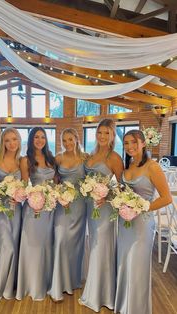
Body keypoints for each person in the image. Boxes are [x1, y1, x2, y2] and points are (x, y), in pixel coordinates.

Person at [114, 129, 172, 314]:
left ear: (143, 143)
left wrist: (143, 207)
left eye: (133, 142)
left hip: (142, 224)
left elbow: (167, 198)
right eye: (126, 143)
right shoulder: (128, 166)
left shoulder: (152, 167)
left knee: (137, 264)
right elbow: (123, 193)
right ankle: (124, 305)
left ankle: (136, 308)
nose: (130, 146)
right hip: (125, 223)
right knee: (124, 262)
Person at [79, 118, 123, 312]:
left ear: (113, 135)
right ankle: (98, 288)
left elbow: (122, 186)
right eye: (100, 132)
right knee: (94, 244)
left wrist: (107, 196)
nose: (103, 136)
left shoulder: (114, 157)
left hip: (104, 208)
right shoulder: (89, 156)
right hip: (90, 207)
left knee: (99, 247)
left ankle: (100, 294)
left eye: (107, 133)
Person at [16, 127, 57, 301]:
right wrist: (29, 198)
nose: (40, 140)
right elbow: (25, 184)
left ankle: (46, 281)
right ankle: (32, 283)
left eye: (43, 137)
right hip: (33, 208)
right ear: (31, 139)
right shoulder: (26, 160)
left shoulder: (51, 158)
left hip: (51, 208)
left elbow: (56, 181)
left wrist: (56, 195)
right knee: (34, 244)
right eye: (36, 137)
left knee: (47, 244)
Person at [48, 128, 87, 301]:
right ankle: (57, 282)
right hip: (62, 205)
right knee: (61, 239)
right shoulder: (58, 158)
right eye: (64, 141)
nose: (67, 143)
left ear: (77, 139)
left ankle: (72, 280)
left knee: (75, 243)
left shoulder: (85, 158)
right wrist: (58, 193)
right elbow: (54, 179)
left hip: (79, 206)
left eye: (70, 139)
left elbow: (90, 180)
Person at [0, 127, 22, 302]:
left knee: (13, 246)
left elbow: (24, 185)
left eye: (14, 139)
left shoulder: (22, 161)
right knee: (5, 246)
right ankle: (0, 285)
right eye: (7, 140)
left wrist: (19, 196)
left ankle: (11, 285)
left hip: (16, 210)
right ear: (2, 143)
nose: (11, 143)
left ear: (19, 141)